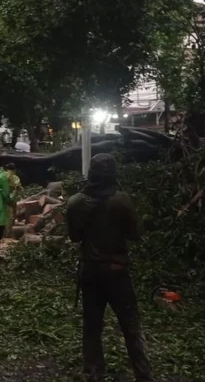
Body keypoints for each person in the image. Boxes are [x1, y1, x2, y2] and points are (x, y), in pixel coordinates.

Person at [66, 153, 153, 382]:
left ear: (91, 173)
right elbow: (136, 235)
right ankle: (143, 374)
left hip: (91, 272)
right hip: (117, 271)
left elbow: (74, 237)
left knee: (92, 326)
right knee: (131, 324)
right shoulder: (122, 200)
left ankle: (93, 374)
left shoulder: (75, 202)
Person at [2, 163, 22, 236]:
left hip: (1, 197)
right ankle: (8, 232)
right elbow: (17, 186)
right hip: (11, 199)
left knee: (3, 215)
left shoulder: (2, 175)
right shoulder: (15, 177)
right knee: (11, 216)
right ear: (14, 169)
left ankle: (2, 232)